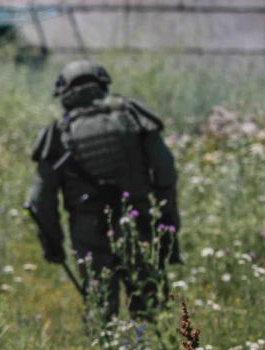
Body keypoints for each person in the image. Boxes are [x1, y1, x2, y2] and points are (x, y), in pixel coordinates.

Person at [27, 60, 181, 320]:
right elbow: (165, 172)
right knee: (150, 308)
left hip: (90, 233)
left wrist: (53, 244)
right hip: (139, 222)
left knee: (101, 313)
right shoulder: (132, 118)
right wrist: (168, 225)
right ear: (102, 86)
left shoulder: (58, 135)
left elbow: (39, 201)